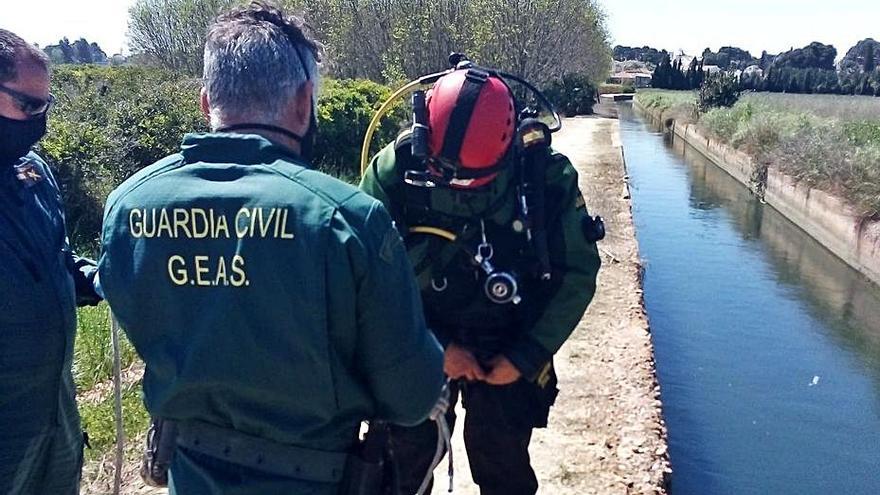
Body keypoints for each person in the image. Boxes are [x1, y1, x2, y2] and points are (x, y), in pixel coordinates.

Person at [97, 3, 444, 494]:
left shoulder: (127, 206)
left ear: (205, 103)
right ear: (304, 102)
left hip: (189, 473)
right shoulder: (347, 218)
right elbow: (410, 397)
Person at [360, 66, 603, 495]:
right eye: (446, 175)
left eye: (472, 179)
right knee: (401, 461)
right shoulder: (393, 173)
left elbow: (577, 275)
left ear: (507, 149)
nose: (458, 185)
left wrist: (526, 356)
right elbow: (362, 283)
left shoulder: (545, 178)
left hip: (510, 338)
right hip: (416, 333)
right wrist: (432, 348)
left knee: (499, 455)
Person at [0, 28, 101, 495]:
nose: (40, 120)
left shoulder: (33, 172)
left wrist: (97, 278)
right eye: (29, 106)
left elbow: (57, 256)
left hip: (54, 405)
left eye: (47, 106)